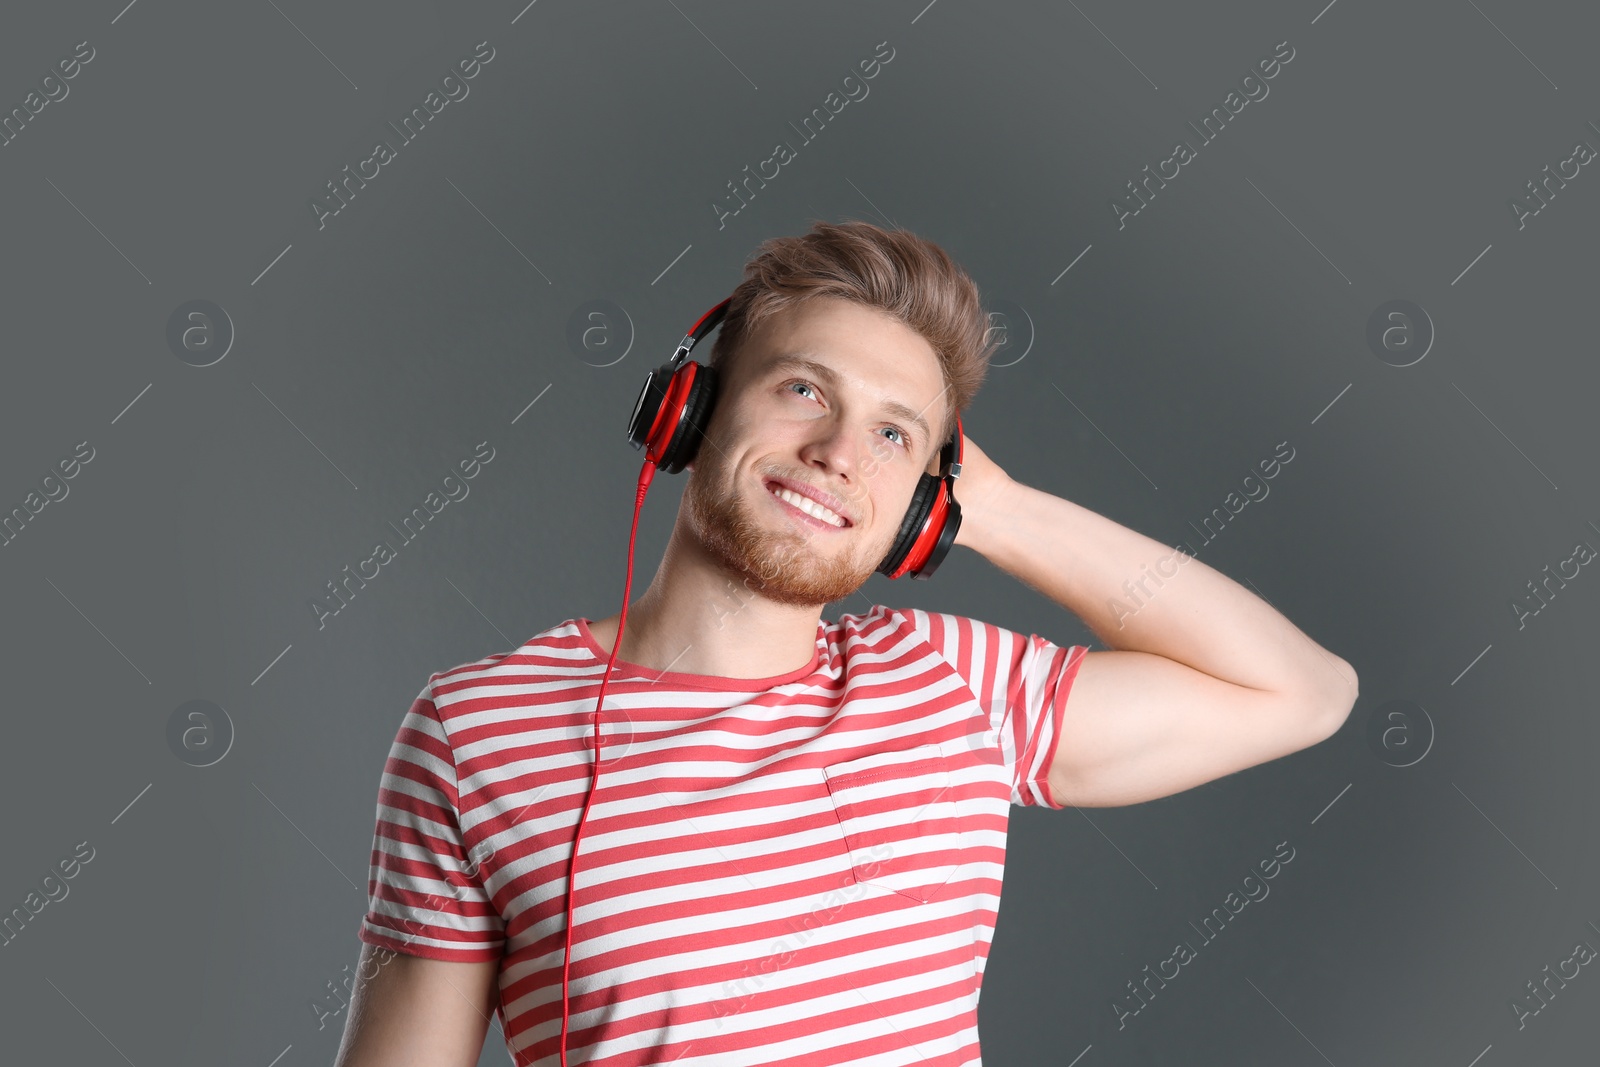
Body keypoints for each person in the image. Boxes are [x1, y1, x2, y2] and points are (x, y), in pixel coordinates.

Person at [332, 220, 1358, 1066]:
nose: (836, 457)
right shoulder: (476, 733)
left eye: (892, 434)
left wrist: (996, 513)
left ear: (918, 508)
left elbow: (1302, 690)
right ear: (689, 412)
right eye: (804, 391)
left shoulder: (950, 680)